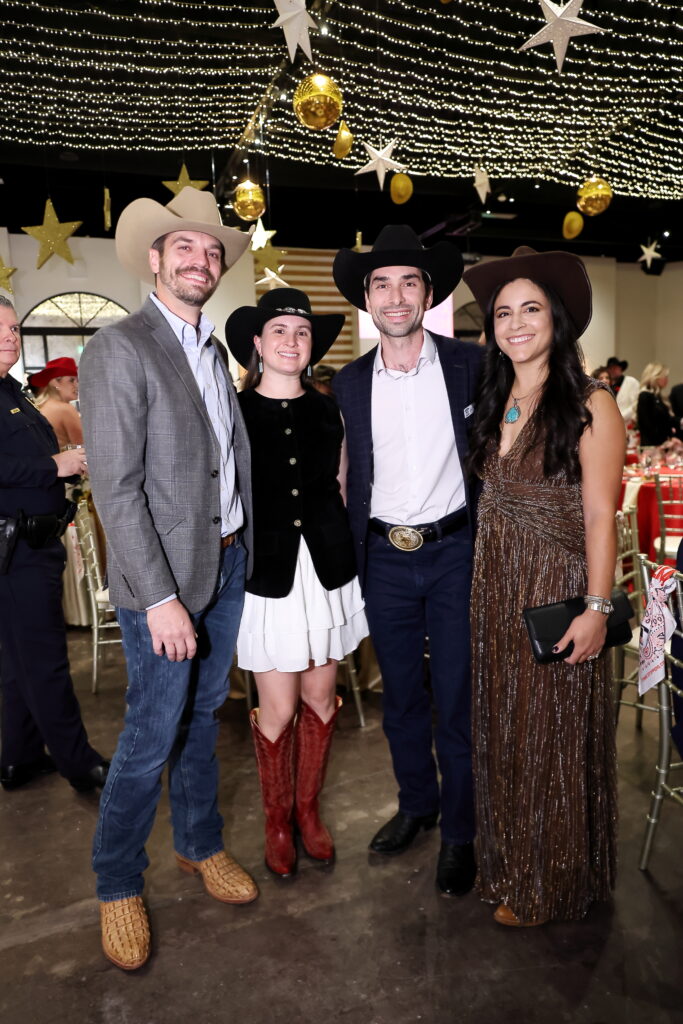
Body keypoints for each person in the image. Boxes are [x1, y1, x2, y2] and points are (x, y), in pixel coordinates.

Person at [79, 187, 256, 971]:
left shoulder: (214, 351)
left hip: (229, 558)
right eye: (184, 247)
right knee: (151, 732)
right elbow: (115, 490)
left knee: (205, 714)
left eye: (212, 251)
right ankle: (117, 882)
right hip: (166, 583)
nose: (201, 259)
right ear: (154, 260)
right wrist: (157, 598)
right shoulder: (119, 348)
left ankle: (199, 843)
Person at [463, 245, 625, 926]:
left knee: (550, 736)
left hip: (553, 592)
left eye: (530, 308)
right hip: (494, 587)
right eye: (503, 312)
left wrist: (596, 606)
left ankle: (550, 882)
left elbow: (598, 514)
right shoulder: (494, 396)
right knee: (504, 730)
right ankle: (511, 864)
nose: (516, 322)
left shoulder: (590, 403)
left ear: (556, 320)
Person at [332, 224, 482, 897]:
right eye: (381, 284)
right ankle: (416, 806)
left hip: (455, 552)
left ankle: (459, 831)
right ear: (366, 297)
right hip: (384, 558)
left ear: (427, 293)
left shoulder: (470, 365)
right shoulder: (345, 383)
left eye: (408, 282)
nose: (395, 296)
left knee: (453, 699)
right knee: (401, 699)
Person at [225, 288, 368, 878]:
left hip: (326, 570)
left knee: (318, 698)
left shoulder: (327, 407)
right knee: (277, 710)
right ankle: (276, 819)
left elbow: (340, 483)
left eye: (302, 333)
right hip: (269, 574)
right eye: (278, 331)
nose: (290, 341)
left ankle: (309, 811)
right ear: (257, 344)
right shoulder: (233, 410)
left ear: (312, 348)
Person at [0, 295, 109, 793]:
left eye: (14, 328)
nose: (10, 336)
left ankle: (19, 756)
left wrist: (64, 455)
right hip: (16, 550)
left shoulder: (13, 393)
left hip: (32, 544)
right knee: (44, 659)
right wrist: (54, 466)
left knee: (15, 659)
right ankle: (77, 762)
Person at [27, 357, 83, 448]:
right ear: (55, 383)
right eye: (71, 380)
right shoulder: (65, 409)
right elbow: (83, 445)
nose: (77, 385)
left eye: (77, 380)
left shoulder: (42, 405)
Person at [636, 362, 677, 446]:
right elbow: (647, 426)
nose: (667, 380)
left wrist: (671, 437)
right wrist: (666, 441)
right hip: (652, 447)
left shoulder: (658, 396)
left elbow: (665, 422)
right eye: (664, 377)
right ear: (655, 377)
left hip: (661, 445)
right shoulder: (645, 396)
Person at [606, 356, 639, 424]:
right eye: (610, 368)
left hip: (627, 423)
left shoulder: (631, 382)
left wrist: (621, 417)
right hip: (610, 423)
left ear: (620, 368)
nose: (612, 370)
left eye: (615, 368)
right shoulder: (607, 385)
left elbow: (635, 404)